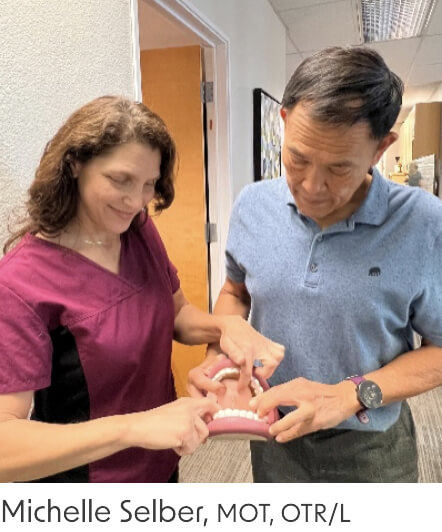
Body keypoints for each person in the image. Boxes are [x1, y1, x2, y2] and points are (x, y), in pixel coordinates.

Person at [189, 46, 442, 482]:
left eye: (339, 169)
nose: (311, 186)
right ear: (284, 122)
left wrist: (352, 394)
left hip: (369, 442)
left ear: (382, 147)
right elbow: (235, 293)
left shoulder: (422, 221)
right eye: (298, 158)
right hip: (272, 431)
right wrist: (221, 362)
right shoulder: (253, 205)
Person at [0, 96, 284, 483]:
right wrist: (134, 427)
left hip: (161, 462)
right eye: (120, 180)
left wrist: (225, 328)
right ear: (74, 165)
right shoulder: (21, 283)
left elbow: (176, 313)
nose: (136, 201)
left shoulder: (137, 229)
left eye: (149, 184)